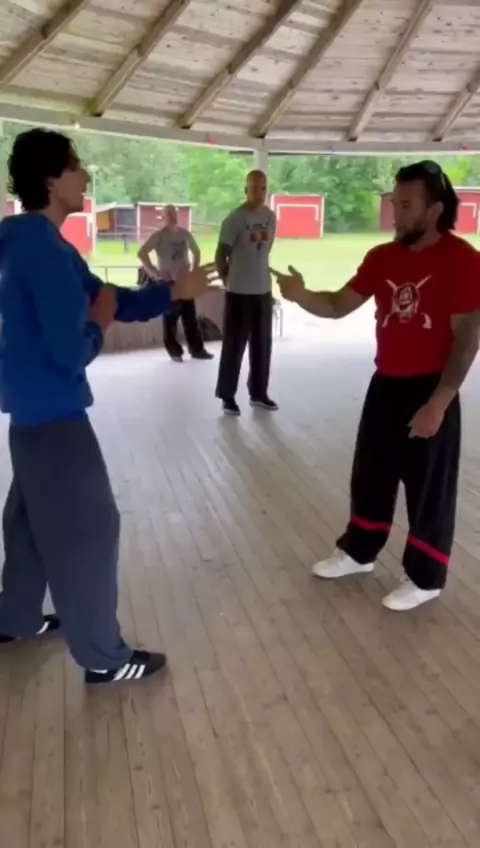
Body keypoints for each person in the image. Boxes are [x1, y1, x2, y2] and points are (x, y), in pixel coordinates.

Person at [0, 128, 216, 683]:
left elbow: (108, 296)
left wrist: (172, 293)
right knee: (91, 528)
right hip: (54, 415)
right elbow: (73, 349)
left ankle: (15, 617)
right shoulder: (45, 253)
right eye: (76, 165)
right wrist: (97, 322)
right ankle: (103, 659)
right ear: (52, 179)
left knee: (28, 520)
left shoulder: (23, 238)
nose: (85, 175)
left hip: (28, 412)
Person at [272, 161, 480, 612]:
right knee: (370, 475)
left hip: (432, 387)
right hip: (385, 383)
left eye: (405, 205)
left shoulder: (463, 260)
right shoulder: (381, 258)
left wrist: (438, 404)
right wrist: (301, 294)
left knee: (428, 488)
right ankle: (359, 552)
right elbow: (337, 305)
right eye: (394, 203)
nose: (395, 214)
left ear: (435, 209)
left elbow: (467, 339)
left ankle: (425, 577)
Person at [215, 170, 278, 415]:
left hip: (263, 290)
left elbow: (265, 250)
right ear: (245, 190)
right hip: (239, 292)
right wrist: (228, 281)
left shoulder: (270, 217)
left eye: (263, 188)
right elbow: (221, 255)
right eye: (254, 188)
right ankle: (227, 396)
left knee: (262, 345)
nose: (259, 193)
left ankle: (258, 393)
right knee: (234, 346)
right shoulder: (235, 219)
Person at [137, 205, 213, 362]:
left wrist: (194, 270)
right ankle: (174, 352)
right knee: (170, 319)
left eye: (174, 213)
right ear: (163, 217)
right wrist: (155, 272)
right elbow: (142, 253)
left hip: (185, 283)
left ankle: (197, 350)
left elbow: (196, 252)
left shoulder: (185, 234)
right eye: (169, 213)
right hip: (168, 284)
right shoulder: (159, 236)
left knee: (190, 318)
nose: (172, 216)